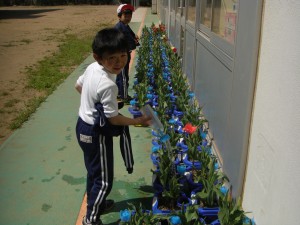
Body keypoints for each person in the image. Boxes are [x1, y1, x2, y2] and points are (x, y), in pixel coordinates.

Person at [75, 28, 151, 225]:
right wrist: (137, 121)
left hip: (82, 126)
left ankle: (98, 205)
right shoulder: (109, 85)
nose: (119, 62)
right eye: (112, 58)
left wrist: (91, 102)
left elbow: (78, 86)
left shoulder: (93, 68)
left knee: (94, 173)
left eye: (123, 56)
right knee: (104, 180)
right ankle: (91, 220)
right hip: (95, 134)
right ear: (98, 57)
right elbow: (113, 119)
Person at [115, 3, 140, 104]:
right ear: (119, 16)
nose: (128, 17)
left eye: (130, 15)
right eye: (126, 15)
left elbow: (131, 35)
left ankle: (119, 93)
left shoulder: (125, 26)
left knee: (121, 76)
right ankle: (124, 97)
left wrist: (135, 38)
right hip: (121, 56)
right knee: (124, 76)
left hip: (125, 54)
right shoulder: (118, 28)